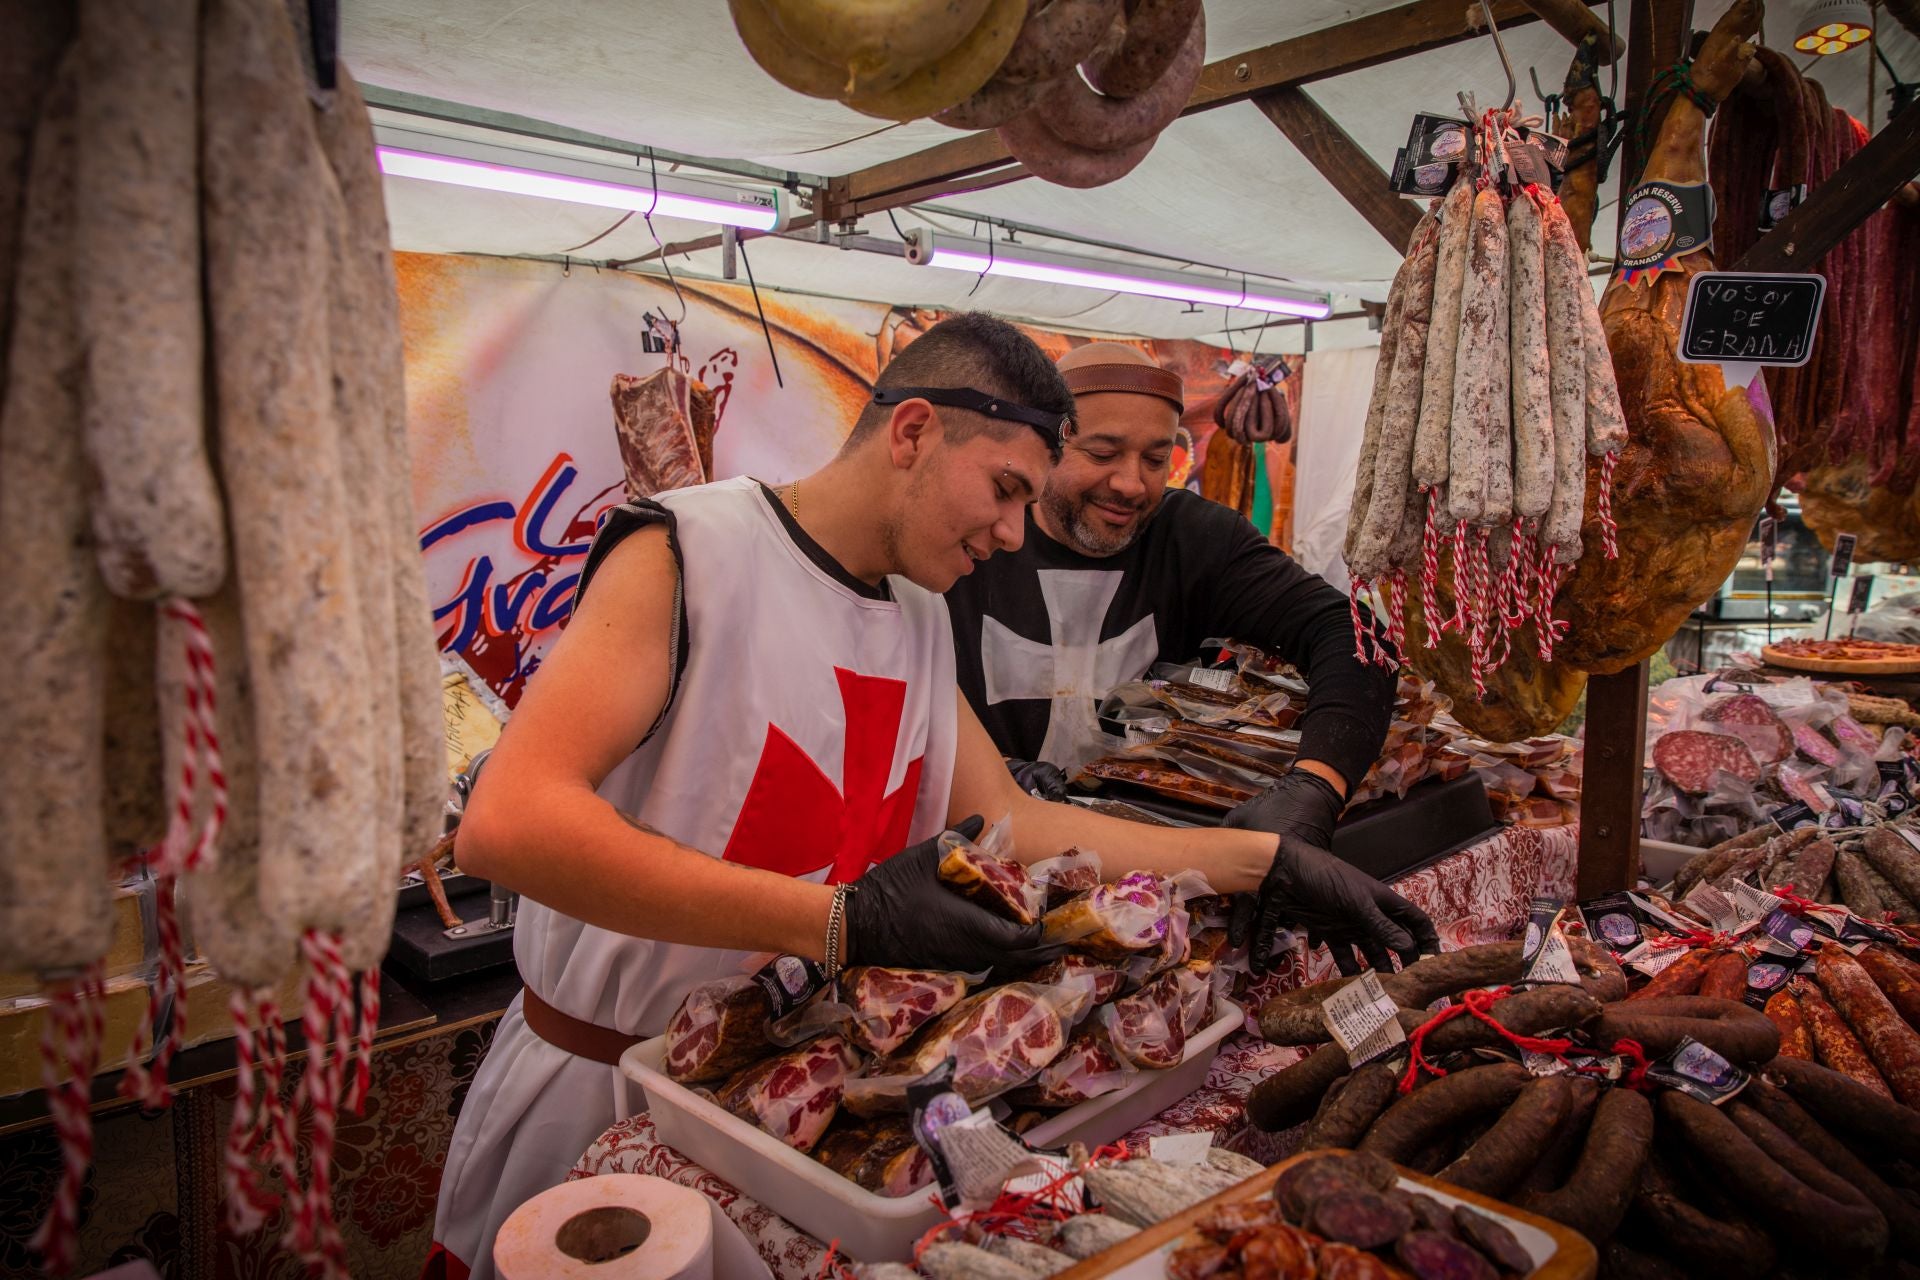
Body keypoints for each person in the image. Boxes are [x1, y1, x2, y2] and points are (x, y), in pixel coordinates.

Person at [428, 315, 1432, 1279]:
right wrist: (841, 920)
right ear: (912, 430)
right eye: (1001, 488)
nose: (1009, 531)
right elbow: (510, 825)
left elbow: (1015, 821)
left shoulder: (914, 614)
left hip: (778, 1115)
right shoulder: (692, 550)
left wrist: (1263, 855)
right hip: (603, 1094)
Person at [945, 342, 1422, 974]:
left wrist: (1314, 788)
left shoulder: (1193, 538)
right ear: (1048, 445)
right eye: (1103, 452)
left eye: (1154, 458)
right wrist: (985, 771)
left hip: (1147, 894)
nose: (1130, 483)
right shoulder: (973, 534)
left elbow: (1350, 633)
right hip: (970, 876)